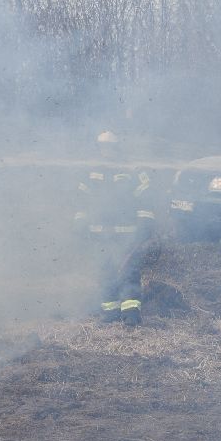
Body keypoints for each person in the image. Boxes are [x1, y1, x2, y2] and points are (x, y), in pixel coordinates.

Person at [75, 130, 157, 325]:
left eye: (110, 146)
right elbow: (81, 199)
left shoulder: (132, 170)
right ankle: (110, 313)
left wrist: (145, 224)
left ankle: (131, 314)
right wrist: (79, 221)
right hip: (100, 233)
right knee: (106, 272)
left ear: (118, 147)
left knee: (128, 271)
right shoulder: (92, 171)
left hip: (127, 233)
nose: (106, 150)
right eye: (102, 146)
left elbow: (146, 197)